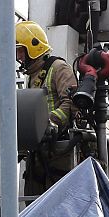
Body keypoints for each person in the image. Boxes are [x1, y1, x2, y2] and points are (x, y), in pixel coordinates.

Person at [16, 20, 78, 197]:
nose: (19, 56)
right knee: (34, 203)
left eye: (20, 50)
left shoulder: (59, 68)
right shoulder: (32, 76)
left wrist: (50, 122)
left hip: (59, 150)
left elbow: (70, 102)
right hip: (38, 152)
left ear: (32, 47)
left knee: (58, 203)